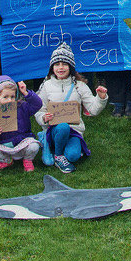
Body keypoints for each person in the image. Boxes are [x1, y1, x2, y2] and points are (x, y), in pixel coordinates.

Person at [35, 43, 107, 172]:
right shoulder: (46, 86)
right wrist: (43, 118)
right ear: (52, 67)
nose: (60, 68)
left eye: (64, 64)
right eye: (57, 64)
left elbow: (93, 109)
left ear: (71, 67)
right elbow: (39, 110)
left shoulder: (80, 86)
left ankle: (61, 149)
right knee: (63, 127)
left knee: (73, 156)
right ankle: (58, 155)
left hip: (74, 130)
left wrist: (101, 98)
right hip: (54, 130)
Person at [0, 76, 42, 172]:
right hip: (4, 145)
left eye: (12, 97)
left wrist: (26, 93)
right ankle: (6, 160)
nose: (9, 100)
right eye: (5, 97)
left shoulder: (22, 107)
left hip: (22, 143)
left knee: (34, 146)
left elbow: (38, 104)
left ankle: (27, 160)